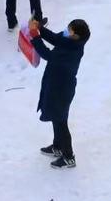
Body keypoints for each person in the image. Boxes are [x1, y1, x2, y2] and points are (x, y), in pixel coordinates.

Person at [30, 17, 91, 169]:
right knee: (55, 116)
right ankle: (57, 146)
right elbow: (55, 38)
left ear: (76, 35)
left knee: (60, 121)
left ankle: (69, 156)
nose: (66, 31)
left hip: (61, 88)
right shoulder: (69, 40)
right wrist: (40, 28)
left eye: (69, 30)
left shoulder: (72, 49)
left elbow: (48, 55)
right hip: (54, 83)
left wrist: (35, 36)